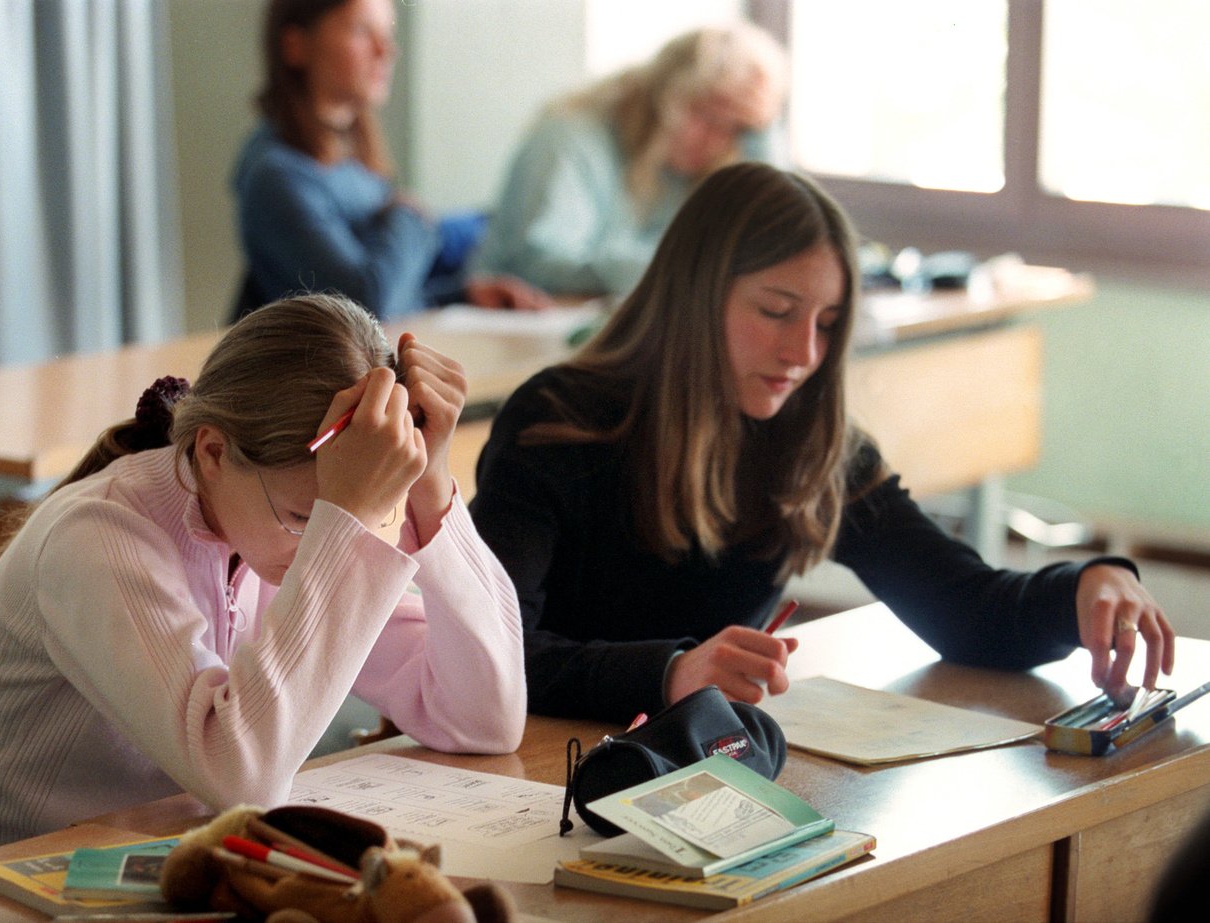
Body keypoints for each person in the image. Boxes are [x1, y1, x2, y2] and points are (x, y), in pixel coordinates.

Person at [468, 162, 1175, 722]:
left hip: (697, 771)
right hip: (538, 762)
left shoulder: (810, 441)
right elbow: (493, 653)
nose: (802, 352)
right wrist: (669, 671)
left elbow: (965, 606)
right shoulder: (559, 423)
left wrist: (1085, 588)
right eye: (776, 312)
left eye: (828, 322)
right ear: (696, 295)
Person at [0, 293, 526, 857]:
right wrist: (344, 521)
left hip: (182, 863)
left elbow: (482, 717)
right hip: (13, 887)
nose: (317, 544)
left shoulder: (267, 532)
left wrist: (431, 487)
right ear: (213, 453)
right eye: (304, 517)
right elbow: (241, 776)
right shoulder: (96, 536)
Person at [232, 0, 548, 322]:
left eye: (387, 33)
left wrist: (462, 295)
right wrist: (407, 215)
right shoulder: (276, 176)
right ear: (295, 45)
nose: (386, 51)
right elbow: (363, 307)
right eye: (361, 31)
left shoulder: (353, 166)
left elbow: (393, 294)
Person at [472, 22, 789, 297]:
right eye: (706, 115)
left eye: (736, 129)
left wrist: (763, 134)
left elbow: (777, 238)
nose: (716, 140)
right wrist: (687, 266)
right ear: (665, 95)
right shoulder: (570, 138)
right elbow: (540, 264)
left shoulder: (703, 167)